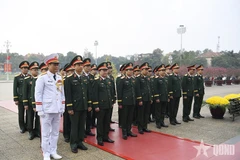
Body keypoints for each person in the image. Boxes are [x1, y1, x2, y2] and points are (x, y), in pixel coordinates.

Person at [35, 53, 65, 160]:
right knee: (46, 133)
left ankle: (53, 151)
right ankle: (46, 153)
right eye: (54, 64)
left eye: (57, 64)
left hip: (57, 109)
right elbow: (38, 94)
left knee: (55, 132)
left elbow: (61, 93)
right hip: (47, 109)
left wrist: (62, 107)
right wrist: (40, 109)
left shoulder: (59, 77)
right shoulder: (42, 78)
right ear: (48, 65)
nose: (57, 66)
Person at [65, 56, 91, 153]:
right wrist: (70, 107)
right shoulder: (69, 79)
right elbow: (68, 95)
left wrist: (89, 105)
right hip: (75, 107)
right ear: (74, 66)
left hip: (83, 106)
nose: (80, 67)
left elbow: (87, 93)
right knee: (74, 126)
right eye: (78, 65)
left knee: (81, 125)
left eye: (81, 65)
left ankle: (80, 142)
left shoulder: (84, 78)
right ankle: (73, 144)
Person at [92, 62, 114, 146]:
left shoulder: (108, 80)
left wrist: (111, 102)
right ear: (99, 71)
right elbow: (94, 94)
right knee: (100, 122)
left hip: (108, 105)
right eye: (103, 70)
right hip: (101, 106)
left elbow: (110, 92)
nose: (105, 72)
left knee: (107, 121)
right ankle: (100, 138)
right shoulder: (97, 81)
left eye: (106, 70)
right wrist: (96, 105)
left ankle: (106, 136)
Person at [117, 62, 138, 140]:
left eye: (132, 70)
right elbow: (120, 91)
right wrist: (120, 102)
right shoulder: (122, 80)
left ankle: (129, 131)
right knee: (124, 118)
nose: (131, 71)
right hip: (125, 102)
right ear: (125, 71)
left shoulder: (133, 79)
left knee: (130, 118)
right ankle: (124, 132)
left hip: (132, 101)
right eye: (129, 70)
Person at [23, 61, 39, 140]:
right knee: (30, 117)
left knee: (38, 118)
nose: (36, 71)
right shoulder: (27, 79)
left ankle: (37, 131)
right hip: (29, 102)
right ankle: (30, 131)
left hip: (38, 102)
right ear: (30, 70)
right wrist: (25, 103)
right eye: (34, 69)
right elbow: (24, 92)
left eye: (37, 69)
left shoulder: (40, 78)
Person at [31, 62, 48, 140]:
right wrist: (35, 105)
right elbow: (35, 93)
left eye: (46, 69)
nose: (45, 71)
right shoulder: (37, 79)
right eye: (43, 70)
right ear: (41, 71)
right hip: (41, 105)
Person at [135, 62, 152, 134]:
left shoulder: (148, 78)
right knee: (141, 114)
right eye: (145, 69)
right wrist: (139, 99)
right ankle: (140, 128)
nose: (147, 71)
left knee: (146, 113)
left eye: (147, 69)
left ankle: (145, 127)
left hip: (147, 98)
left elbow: (149, 89)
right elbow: (138, 89)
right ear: (142, 70)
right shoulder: (138, 78)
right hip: (142, 99)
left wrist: (150, 98)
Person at [13, 61, 30, 133]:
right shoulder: (17, 77)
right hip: (20, 99)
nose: (25, 69)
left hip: (28, 99)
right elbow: (14, 88)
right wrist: (16, 99)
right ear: (21, 69)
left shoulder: (30, 77)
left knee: (29, 114)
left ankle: (27, 126)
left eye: (26, 68)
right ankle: (22, 127)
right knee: (21, 114)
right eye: (24, 68)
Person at [82, 58, 95, 137]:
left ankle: (88, 129)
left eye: (89, 66)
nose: (88, 67)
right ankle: (82, 131)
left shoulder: (91, 76)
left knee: (89, 116)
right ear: (83, 66)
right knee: (83, 117)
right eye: (86, 66)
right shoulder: (82, 76)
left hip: (90, 99)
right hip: (84, 99)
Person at [154, 64, 169, 129]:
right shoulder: (156, 79)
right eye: (162, 70)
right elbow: (155, 89)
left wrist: (168, 97)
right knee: (158, 111)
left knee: (163, 111)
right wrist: (157, 97)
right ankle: (158, 123)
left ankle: (162, 122)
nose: (163, 72)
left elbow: (166, 89)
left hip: (164, 97)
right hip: (159, 98)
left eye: (164, 70)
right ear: (159, 71)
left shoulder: (165, 79)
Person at [62, 63, 74, 143]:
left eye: (72, 71)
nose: (71, 73)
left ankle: (72, 134)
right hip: (65, 102)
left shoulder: (74, 79)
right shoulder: (63, 80)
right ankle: (66, 135)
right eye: (69, 71)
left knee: (72, 120)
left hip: (74, 102)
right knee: (66, 120)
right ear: (66, 72)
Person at [107, 61, 116, 131]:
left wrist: (114, 97)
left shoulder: (111, 77)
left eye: (110, 68)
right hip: (105, 99)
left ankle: (109, 123)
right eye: (108, 68)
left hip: (111, 97)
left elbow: (113, 88)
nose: (110, 69)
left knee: (110, 111)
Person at [116, 64, 126, 128]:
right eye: (124, 70)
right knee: (121, 112)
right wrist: (119, 101)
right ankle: (121, 123)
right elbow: (119, 90)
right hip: (122, 98)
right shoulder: (119, 79)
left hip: (127, 99)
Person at [90, 64, 98, 128]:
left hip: (95, 97)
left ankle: (93, 123)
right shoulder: (89, 77)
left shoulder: (95, 78)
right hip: (90, 97)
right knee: (91, 113)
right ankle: (90, 124)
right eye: (94, 69)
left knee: (94, 113)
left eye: (96, 70)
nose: (95, 71)